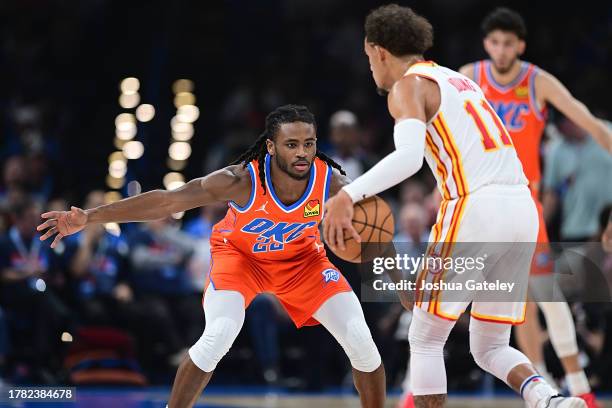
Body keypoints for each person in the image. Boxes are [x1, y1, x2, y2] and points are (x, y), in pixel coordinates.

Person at [324, 4, 587, 408]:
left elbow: (409, 158)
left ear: (377, 51)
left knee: (425, 336)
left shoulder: (407, 86)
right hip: (521, 208)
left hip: (475, 206)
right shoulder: (458, 80)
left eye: (368, 58)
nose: (371, 69)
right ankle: (550, 400)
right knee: (489, 345)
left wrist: (346, 195)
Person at [37, 105, 386, 408]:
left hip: (302, 262)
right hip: (240, 260)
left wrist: (363, 233)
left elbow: (377, 220)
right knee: (219, 334)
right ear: (270, 146)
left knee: (361, 340)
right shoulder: (240, 180)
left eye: (308, 144)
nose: (301, 153)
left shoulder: (334, 183)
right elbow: (168, 201)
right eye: (291, 144)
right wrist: (91, 216)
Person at [459, 8, 612, 406]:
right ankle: (542, 381)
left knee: (544, 293)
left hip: (523, 200)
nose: (502, 49)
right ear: (486, 44)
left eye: (509, 42)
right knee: (509, 300)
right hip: (479, 200)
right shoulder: (468, 79)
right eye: (495, 42)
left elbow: (592, 124)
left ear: (521, 45)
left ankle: (578, 386)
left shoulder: (536, 81)